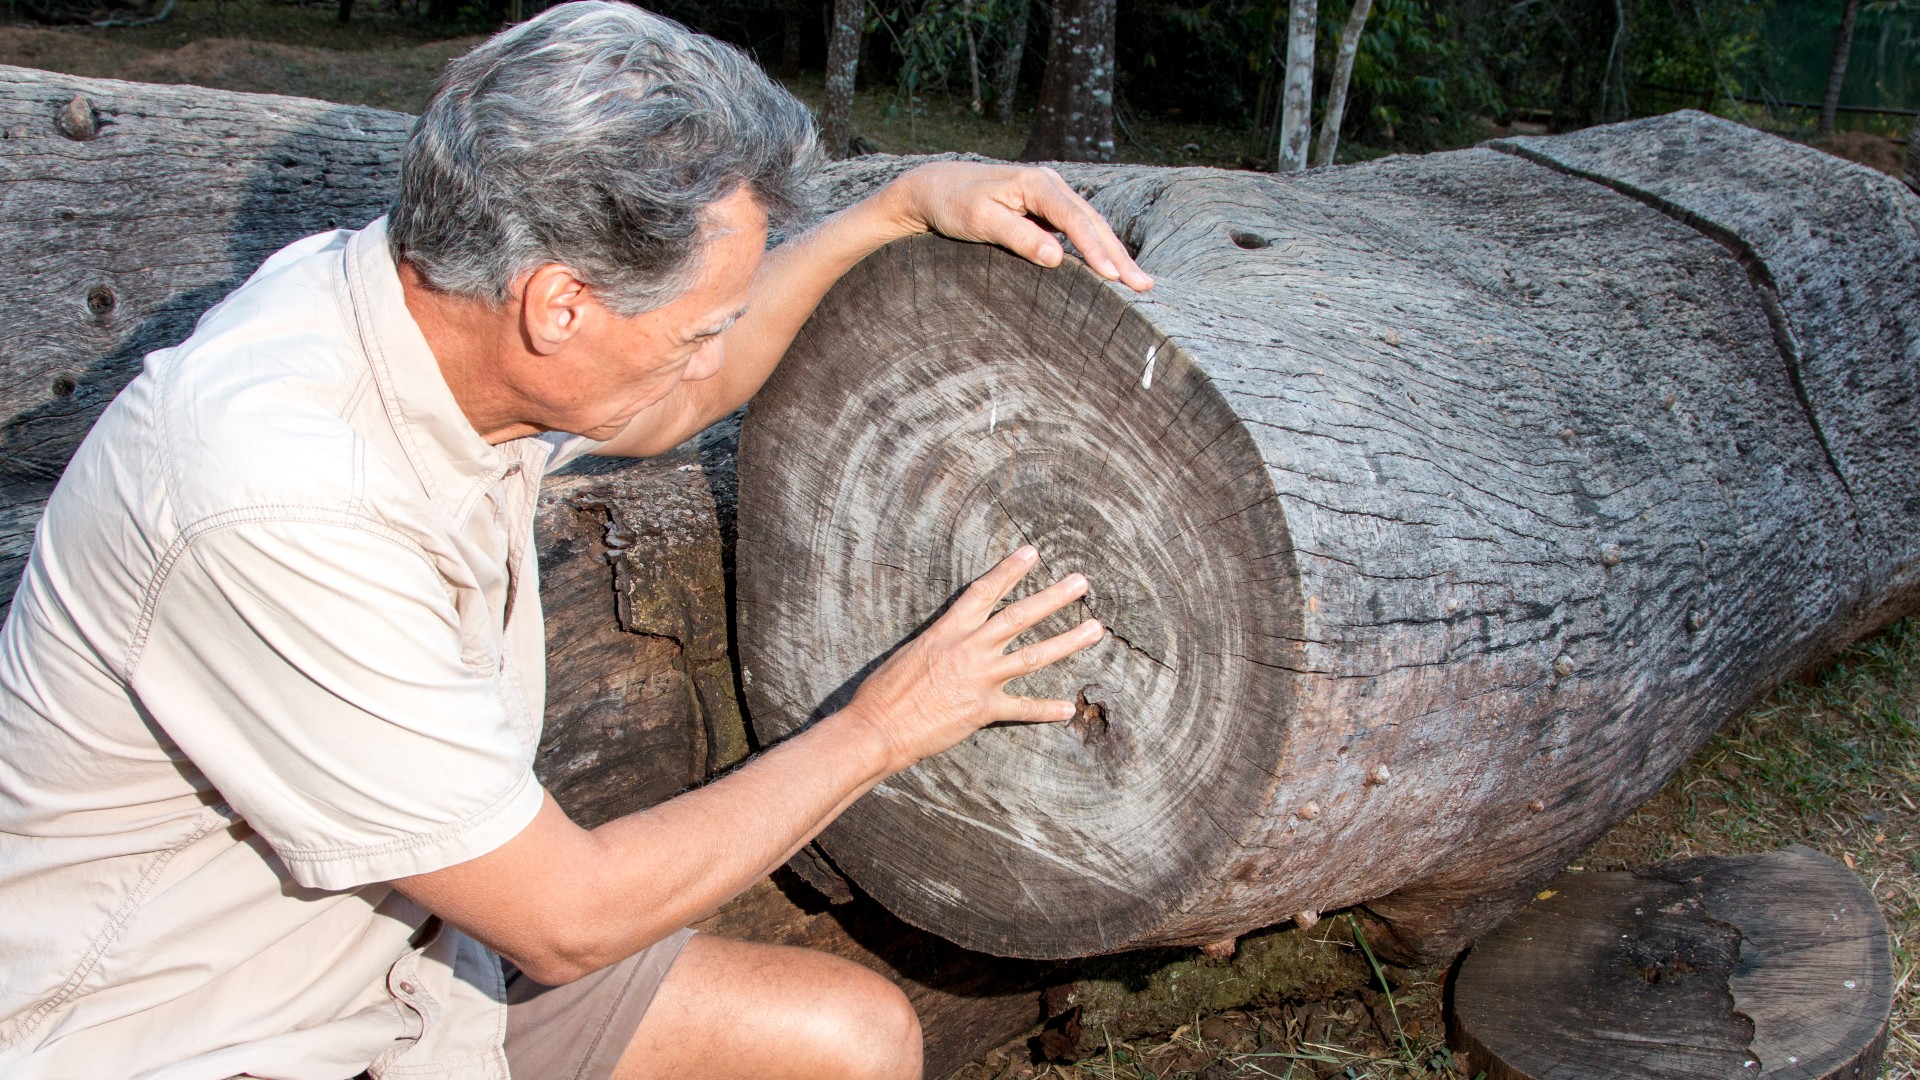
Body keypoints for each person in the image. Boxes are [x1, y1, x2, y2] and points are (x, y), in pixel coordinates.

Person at [0, 3, 1152, 1078]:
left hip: (402, 973)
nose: (716, 357)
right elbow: (568, 919)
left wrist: (897, 210)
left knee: (849, 1039)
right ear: (559, 305)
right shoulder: (277, 495)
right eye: (700, 327)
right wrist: (885, 723)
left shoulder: (431, 316)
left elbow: (667, 401)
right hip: (186, 1035)